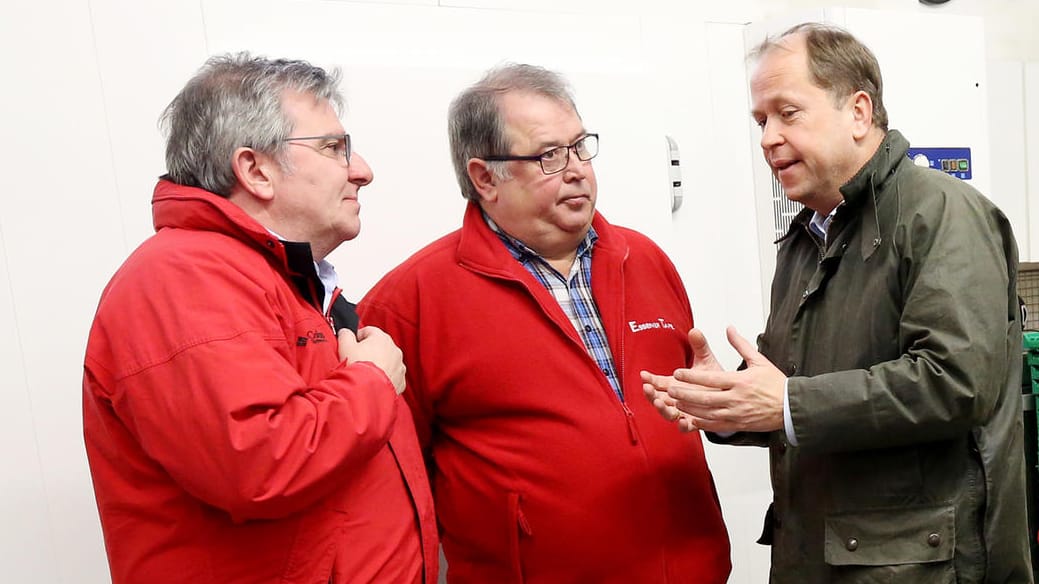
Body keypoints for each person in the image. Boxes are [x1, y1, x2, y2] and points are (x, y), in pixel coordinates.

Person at [642, 23, 1033, 583]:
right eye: (760, 120)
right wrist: (728, 405)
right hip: (823, 557)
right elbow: (794, 391)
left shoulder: (941, 213)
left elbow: (955, 383)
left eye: (787, 113)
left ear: (857, 111)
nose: (767, 137)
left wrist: (783, 404)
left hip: (920, 567)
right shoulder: (806, 237)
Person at [358, 63, 731, 583]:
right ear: (485, 177)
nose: (577, 168)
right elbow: (389, 484)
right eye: (549, 156)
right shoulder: (411, 301)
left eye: (581, 147)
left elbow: (688, 409)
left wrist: (725, 407)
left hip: (694, 571)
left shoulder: (644, 258)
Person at [82, 53, 438, 583]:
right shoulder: (182, 279)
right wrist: (372, 379)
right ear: (255, 170)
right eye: (334, 148)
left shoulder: (283, 280)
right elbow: (261, 463)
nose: (361, 170)